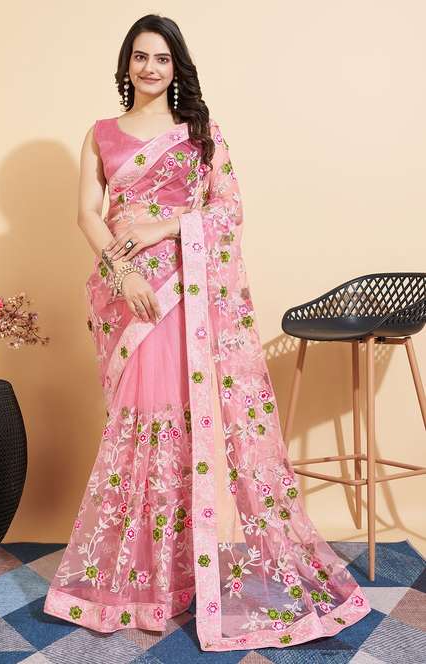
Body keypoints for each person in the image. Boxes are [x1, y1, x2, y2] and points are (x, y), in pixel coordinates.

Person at [43, 13, 371, 652]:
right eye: (140, 56)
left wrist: (166, 228)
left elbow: (229, 209)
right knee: (140, 420)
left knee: (183, 421)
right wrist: (122, 271)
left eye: (162, 58)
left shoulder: (201, 132)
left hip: (186, 293)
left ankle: (184, 574)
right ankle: (142, 578)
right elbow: (86, 212)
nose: (150, 68)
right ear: (126, 63)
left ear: (177, 68)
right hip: (130, 295)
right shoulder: (101, 133)